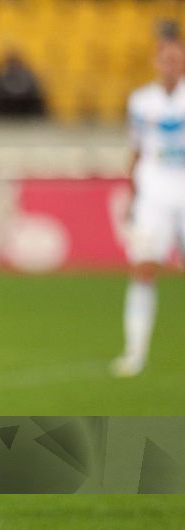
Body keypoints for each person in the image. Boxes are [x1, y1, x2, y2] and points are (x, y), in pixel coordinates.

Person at [112, 36, 185, 377]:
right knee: (143, 268)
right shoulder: (141, 101)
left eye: (177, 59)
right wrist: (131, 193)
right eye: (165, 59)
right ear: (157, 62)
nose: (170, 65)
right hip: (154, 193)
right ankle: (135, 352)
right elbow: (136, 149)